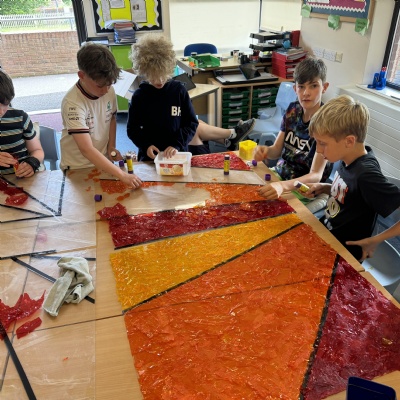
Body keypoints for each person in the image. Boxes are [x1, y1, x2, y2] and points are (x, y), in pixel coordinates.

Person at [127, 34, 255, 161]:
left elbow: (191, 123)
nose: (160, 80)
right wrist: (146, 146)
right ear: (144, 72)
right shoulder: (139, 97)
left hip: (177, 154)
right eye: (154, 76)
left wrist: (177, 144)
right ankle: (231, 136)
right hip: (151, 158)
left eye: (163, 75)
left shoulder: (178, 90)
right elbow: (132, 130)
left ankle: (230, 137)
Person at [306, 94, 400, 262]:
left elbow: (361, 184)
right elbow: (354, 194)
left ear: (349, 141)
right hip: (326, 235)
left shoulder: (367, 175)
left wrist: (375, 240)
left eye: (323, 143)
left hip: (343, 254)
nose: (318, 150)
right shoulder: (347, 156)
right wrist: (327, 188)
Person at [253, 57, 332, 212]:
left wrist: (282, 186)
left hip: (304, 189)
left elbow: (316, 175)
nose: (306, 93)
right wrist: (265, 151)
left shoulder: (326, 122)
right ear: (295, 89)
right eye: (301, 87)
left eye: (313, 86)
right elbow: (276, 150)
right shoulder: (292, 110)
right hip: (280, 175)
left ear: (324, 87)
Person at [60, 42, 142, 189]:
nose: (105, 90)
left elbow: (111, 119)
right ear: (82, 76)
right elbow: (86, 149)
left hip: (103, 161)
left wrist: (111, 146)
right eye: (100, 86)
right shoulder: (72, 103)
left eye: (109, 84)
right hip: (78, 166)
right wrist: (122, 175)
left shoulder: (108, 90)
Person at [0, 69, 44, 177]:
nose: (1, 112)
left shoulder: (20, 117)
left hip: (21, 179)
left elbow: (37, 150)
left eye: (6, 104)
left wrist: (33, 163)